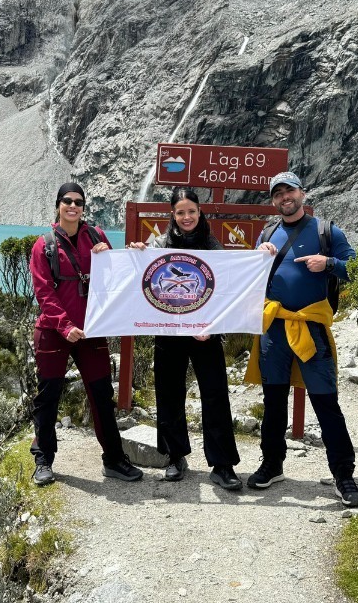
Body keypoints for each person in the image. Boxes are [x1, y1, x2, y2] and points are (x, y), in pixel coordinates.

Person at [245, 171, 358, 507]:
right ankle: (272, 464)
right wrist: (259, 254)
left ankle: (343, 474)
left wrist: (330, 262)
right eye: (278, 193)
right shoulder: (267, 234)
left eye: (290, 191)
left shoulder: (327, 232)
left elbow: (357, 267)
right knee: (273, 401)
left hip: (311, 328)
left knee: (326, 402)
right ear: (273, 201)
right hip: (274, 329)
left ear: (303, 194)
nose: (285, 197)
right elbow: (249, 276)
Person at [28, 182, 143, 486]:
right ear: (58, 205)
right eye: (67, 201)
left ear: (83, 207)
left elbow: (115, 276)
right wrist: (65, 325)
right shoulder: (44, 245)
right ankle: (43, 460)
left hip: (92, 331)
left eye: (78, 202)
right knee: (48, 397)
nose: (73, 206)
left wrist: (131, 255)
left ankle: (114, 460)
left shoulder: (97, 236)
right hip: (54, 332)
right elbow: (43, 291)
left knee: (102, 394)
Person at [129, 187, 243, 490]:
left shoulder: (212, 245)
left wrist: (213, 326)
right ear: (173, 214)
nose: (187, 217)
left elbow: (225, 287)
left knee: (215, 393)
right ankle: (175, 456)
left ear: (199, 212)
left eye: (191, 211)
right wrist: (138, 254)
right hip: (169, 331)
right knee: (168, 392)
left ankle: (222, 464)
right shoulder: (159, 243)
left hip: (205, 332)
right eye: (180, 212)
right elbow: (145, 278)